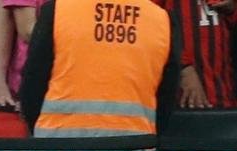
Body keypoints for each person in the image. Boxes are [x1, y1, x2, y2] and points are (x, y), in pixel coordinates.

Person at [20, 0, 181, 137]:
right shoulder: (161, 21)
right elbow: (166, 97)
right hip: (133, 149)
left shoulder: (58, 11)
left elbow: (32, 84)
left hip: (60, 148)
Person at [155, 0, 237, 108]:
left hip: (224, 97)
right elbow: (148, 27)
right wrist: (183, 67)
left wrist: (233, 9)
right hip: (176, 101)